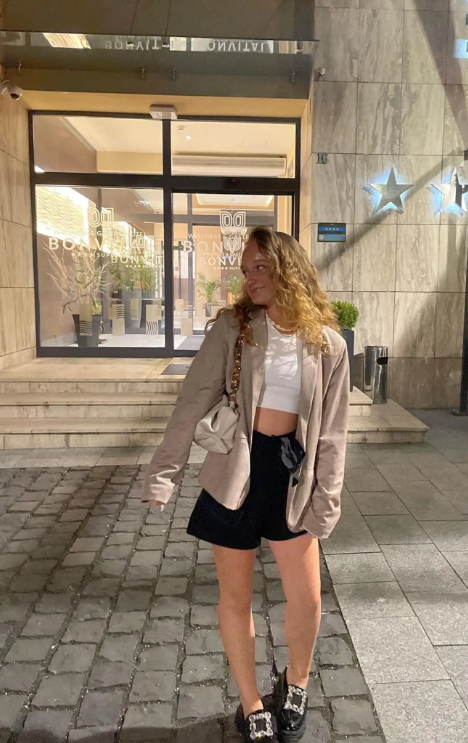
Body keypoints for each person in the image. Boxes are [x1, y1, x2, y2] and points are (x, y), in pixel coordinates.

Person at [143, 226, 350, 742]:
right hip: (236, 467)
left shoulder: (328, 345)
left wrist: (327, 498)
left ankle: (296, 684)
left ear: (288, 269)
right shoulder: (234, 329)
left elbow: (332, 433)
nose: (250, 278)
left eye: (261, 267)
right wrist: (165, 474)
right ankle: (252, 703)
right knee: (235, 598)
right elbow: (192, 401)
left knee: (306, 596)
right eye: (246, 269)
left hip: (291, 474)